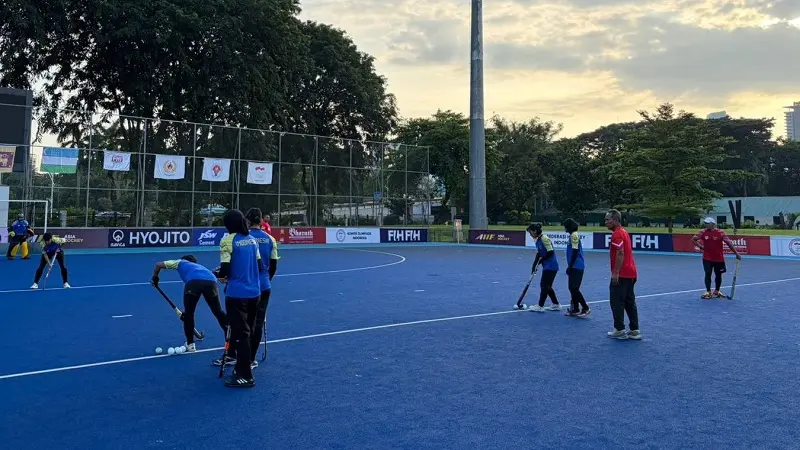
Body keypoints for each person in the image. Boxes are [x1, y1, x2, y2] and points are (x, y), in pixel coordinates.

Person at [215, 209, 263, 388]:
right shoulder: (251, 239)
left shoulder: (228, 240)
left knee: (240, 335)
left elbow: (225, 270)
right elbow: (259, 265)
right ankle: (243, 366)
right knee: (248, 332)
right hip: (254, 293)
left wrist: (220, 275)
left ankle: (245, 375)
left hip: (237, 294)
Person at [151, 255, 228, 352]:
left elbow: (158, 265)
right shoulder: (201, 267)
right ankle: (231, 340)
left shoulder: (180, 262)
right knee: (218, 311)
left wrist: (155, 277)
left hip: (193, 283)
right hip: (212, 282)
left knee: (189, 314)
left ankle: (190, 345)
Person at [240, 207, 279, 369]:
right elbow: (273, 265)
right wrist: (266, 280)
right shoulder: (270, 239)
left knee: (242, 321)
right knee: (257, 322)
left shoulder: (241, 238)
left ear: (248, 221)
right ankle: (251, 359)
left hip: (245, 286)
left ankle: (237, 354)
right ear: (261, 220)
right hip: (263, 286)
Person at [604, 209, 641, 340]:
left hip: (623, 274)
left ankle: (619, 329)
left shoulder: (617, 235)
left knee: (616, 301)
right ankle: (634, 329)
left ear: (615, 220)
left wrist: (616, 272)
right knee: (630, 301)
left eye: (608, 219)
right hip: (631, 272)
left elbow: (620, 253)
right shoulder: (624, 232)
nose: (606, 222)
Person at [691, 217, 741, 299]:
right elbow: (693, 239)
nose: (706, 224)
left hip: (719, 258)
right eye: (705, 223)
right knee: (708, 274)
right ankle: (708, 292)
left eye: (708, 223)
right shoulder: (702, 232)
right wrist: (701, 247)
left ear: (713, 224)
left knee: (719, 275)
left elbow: (728, 243)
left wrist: (736, 253)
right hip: (707, 258)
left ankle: (717, 291)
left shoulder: (720, 233)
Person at [526, 223, 561, 312]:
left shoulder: (544, 238)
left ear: (535, 231)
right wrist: (534, 266)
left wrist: (541, 261)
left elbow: (550, 252)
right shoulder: (537, 241)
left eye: (530, 233)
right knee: (547, 286)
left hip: (551, 266)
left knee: (544, 285)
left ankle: (540, 306)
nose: (530, 235)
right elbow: (539, 254)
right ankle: (556, 304)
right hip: (547, 266)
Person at [562, 218, 591, 317]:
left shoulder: (574, 235)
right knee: (572, 288)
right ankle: (575, 308)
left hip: (577, 266)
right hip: (574, 265)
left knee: (574, 288)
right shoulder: (572, 235)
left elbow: (575, 251)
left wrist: (570, 266)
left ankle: (585, 307)